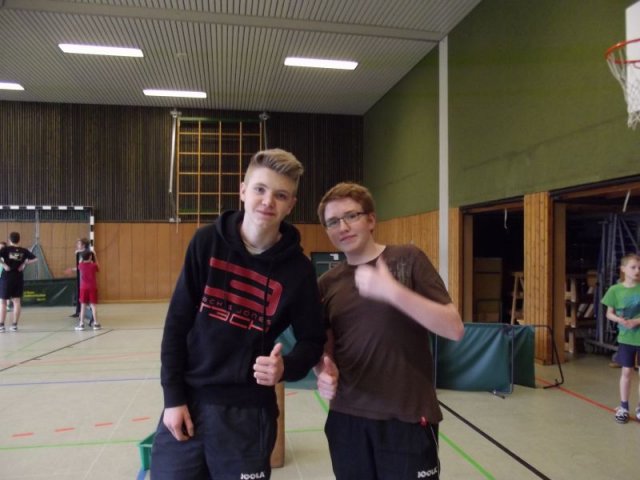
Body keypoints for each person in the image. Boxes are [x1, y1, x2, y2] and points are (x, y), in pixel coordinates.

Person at [150, 148, 326, 479]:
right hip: (190, 401)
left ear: (291, 204)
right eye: (260, 189)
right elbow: (176, 326)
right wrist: (173, 399)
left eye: (280, 195)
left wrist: (286, 367)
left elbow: (313, 341)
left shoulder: (299, 270)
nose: (268, 201)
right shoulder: (206, 242)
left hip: (249, 414)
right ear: (243, 190)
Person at [314, 182, 464, 480]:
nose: (343, 227)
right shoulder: (327, 284)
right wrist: (322, 372)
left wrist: (393, 292)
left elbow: (454, 328)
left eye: (351, 216)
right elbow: (325, 349)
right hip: (347, 419)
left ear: (371, 219)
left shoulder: (408, 259)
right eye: (333, 221)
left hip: (407, 418)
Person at [601, 253, 640, 424]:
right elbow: (609, 313)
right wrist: (620, 320)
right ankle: (624, 407)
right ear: (623, 269)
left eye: (639, 267)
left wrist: (636, 321)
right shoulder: (615, 290)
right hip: (626, 339)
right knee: (627, 372)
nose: (637, 270)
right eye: (633, 267)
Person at [0, 232, 38, 332]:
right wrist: (24, 264)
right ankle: (14, 325)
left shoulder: (6, 249)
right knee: (16, 301)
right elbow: (35, 259)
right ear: (19, 239)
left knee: (3, 301)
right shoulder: (23, 250)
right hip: (18, 277)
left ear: (9, 240)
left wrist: (4, 265)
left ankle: (1, 326)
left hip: (7, 277)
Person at [68, 238, 96, 318]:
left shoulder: (88, 254)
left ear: (83, 245)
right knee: (80, 297)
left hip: (88, 282)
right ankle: (79, 312)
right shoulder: (80, 254)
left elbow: (88, 265)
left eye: (79, 244)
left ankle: (91, 317)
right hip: (82, 281)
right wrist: (73, 269)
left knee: (89, 301)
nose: (77, 245)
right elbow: (81, 266)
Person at [74, 250, 101, 331]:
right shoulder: (93, 265)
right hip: (92, 287)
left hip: (83, 288)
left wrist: (81, 254)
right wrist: (95, 255)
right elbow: (98, 268)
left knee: (83, 306)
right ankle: (95, 324)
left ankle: (81, 324)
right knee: (93, 306)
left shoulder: (81, 265)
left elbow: (80, 262)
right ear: (90, 257)